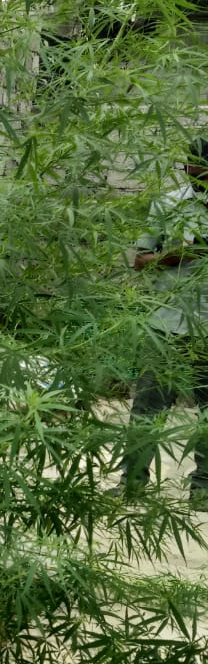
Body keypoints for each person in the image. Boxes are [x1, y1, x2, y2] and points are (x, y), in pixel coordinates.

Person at [112, 139, 208, 508]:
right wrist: (178, 255)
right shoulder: (168, 204)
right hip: (165, 324)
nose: (197, 181)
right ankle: (132, 485)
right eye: (192, 173)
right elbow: (139, 260)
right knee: (147, 410)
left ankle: (203, 490)